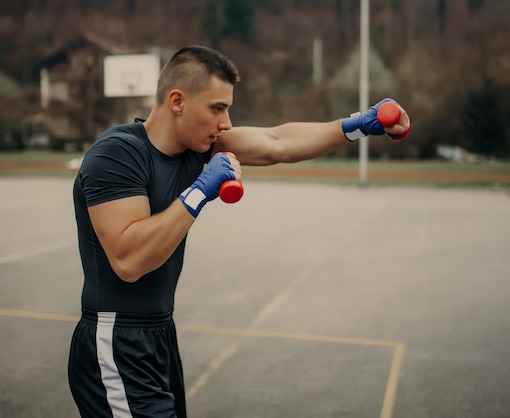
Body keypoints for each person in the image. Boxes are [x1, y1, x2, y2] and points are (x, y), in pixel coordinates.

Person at [68, 45, 410, 417]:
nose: (226, 123)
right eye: (217, 108)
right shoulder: (117, 154)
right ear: (177, 101)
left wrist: (359, 124)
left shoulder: (195, 149)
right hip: (116, 338)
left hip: (158, 335)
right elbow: (129, 259)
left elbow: (278, 143)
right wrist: (199, 191)